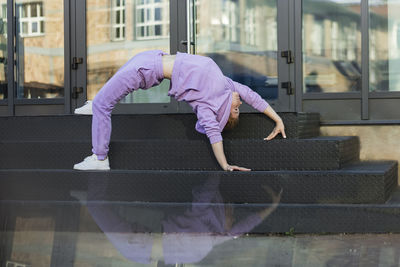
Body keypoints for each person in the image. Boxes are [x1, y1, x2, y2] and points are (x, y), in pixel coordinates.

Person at [73, 50, 286, 171]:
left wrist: (225, 164)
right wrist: (278, 120)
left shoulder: (207, 106)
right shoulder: (227, 86)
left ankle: (100, 158)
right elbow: (253, 96)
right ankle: (98, 104)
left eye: (236, 111)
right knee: (105, 97)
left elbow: (214, 135)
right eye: (239, 109)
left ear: (223, 113)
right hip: (151, 57)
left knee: (103, 105)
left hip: (146, 70)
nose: (240, 104)